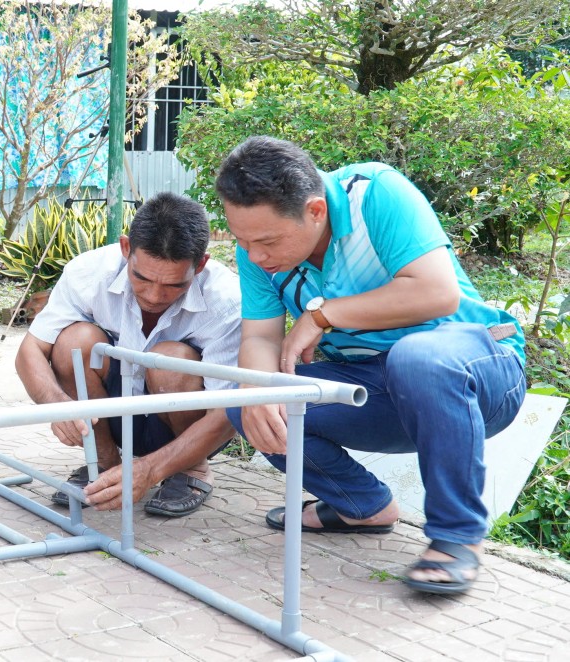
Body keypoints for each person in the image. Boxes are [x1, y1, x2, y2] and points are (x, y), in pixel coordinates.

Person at [216, 136, 526, 595]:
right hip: (376, 389)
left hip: (477, 373)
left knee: (416, 357)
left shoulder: (374, 192)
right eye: (242, 241)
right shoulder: (256, 252)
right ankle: (362, 506)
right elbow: (260, 336)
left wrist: (323, 314)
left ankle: (458, 537)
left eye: (266, 241)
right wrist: (259, 391)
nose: (255, 256)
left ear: (316, 211)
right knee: (250, 404)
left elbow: (436, 293)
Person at [15, 192, 242, 517]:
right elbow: (30, 349)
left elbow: (227, 412)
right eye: (142, 278)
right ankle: (106, 464)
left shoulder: (228, 301)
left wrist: (151, 470)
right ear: (126, 249)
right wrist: (55, 403)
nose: (154, 295)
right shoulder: (88, 272)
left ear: (201, 264)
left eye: (174, 285)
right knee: (73, 341)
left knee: (170, 360)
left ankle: (193, 470)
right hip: (113, 415)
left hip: (189, 426)